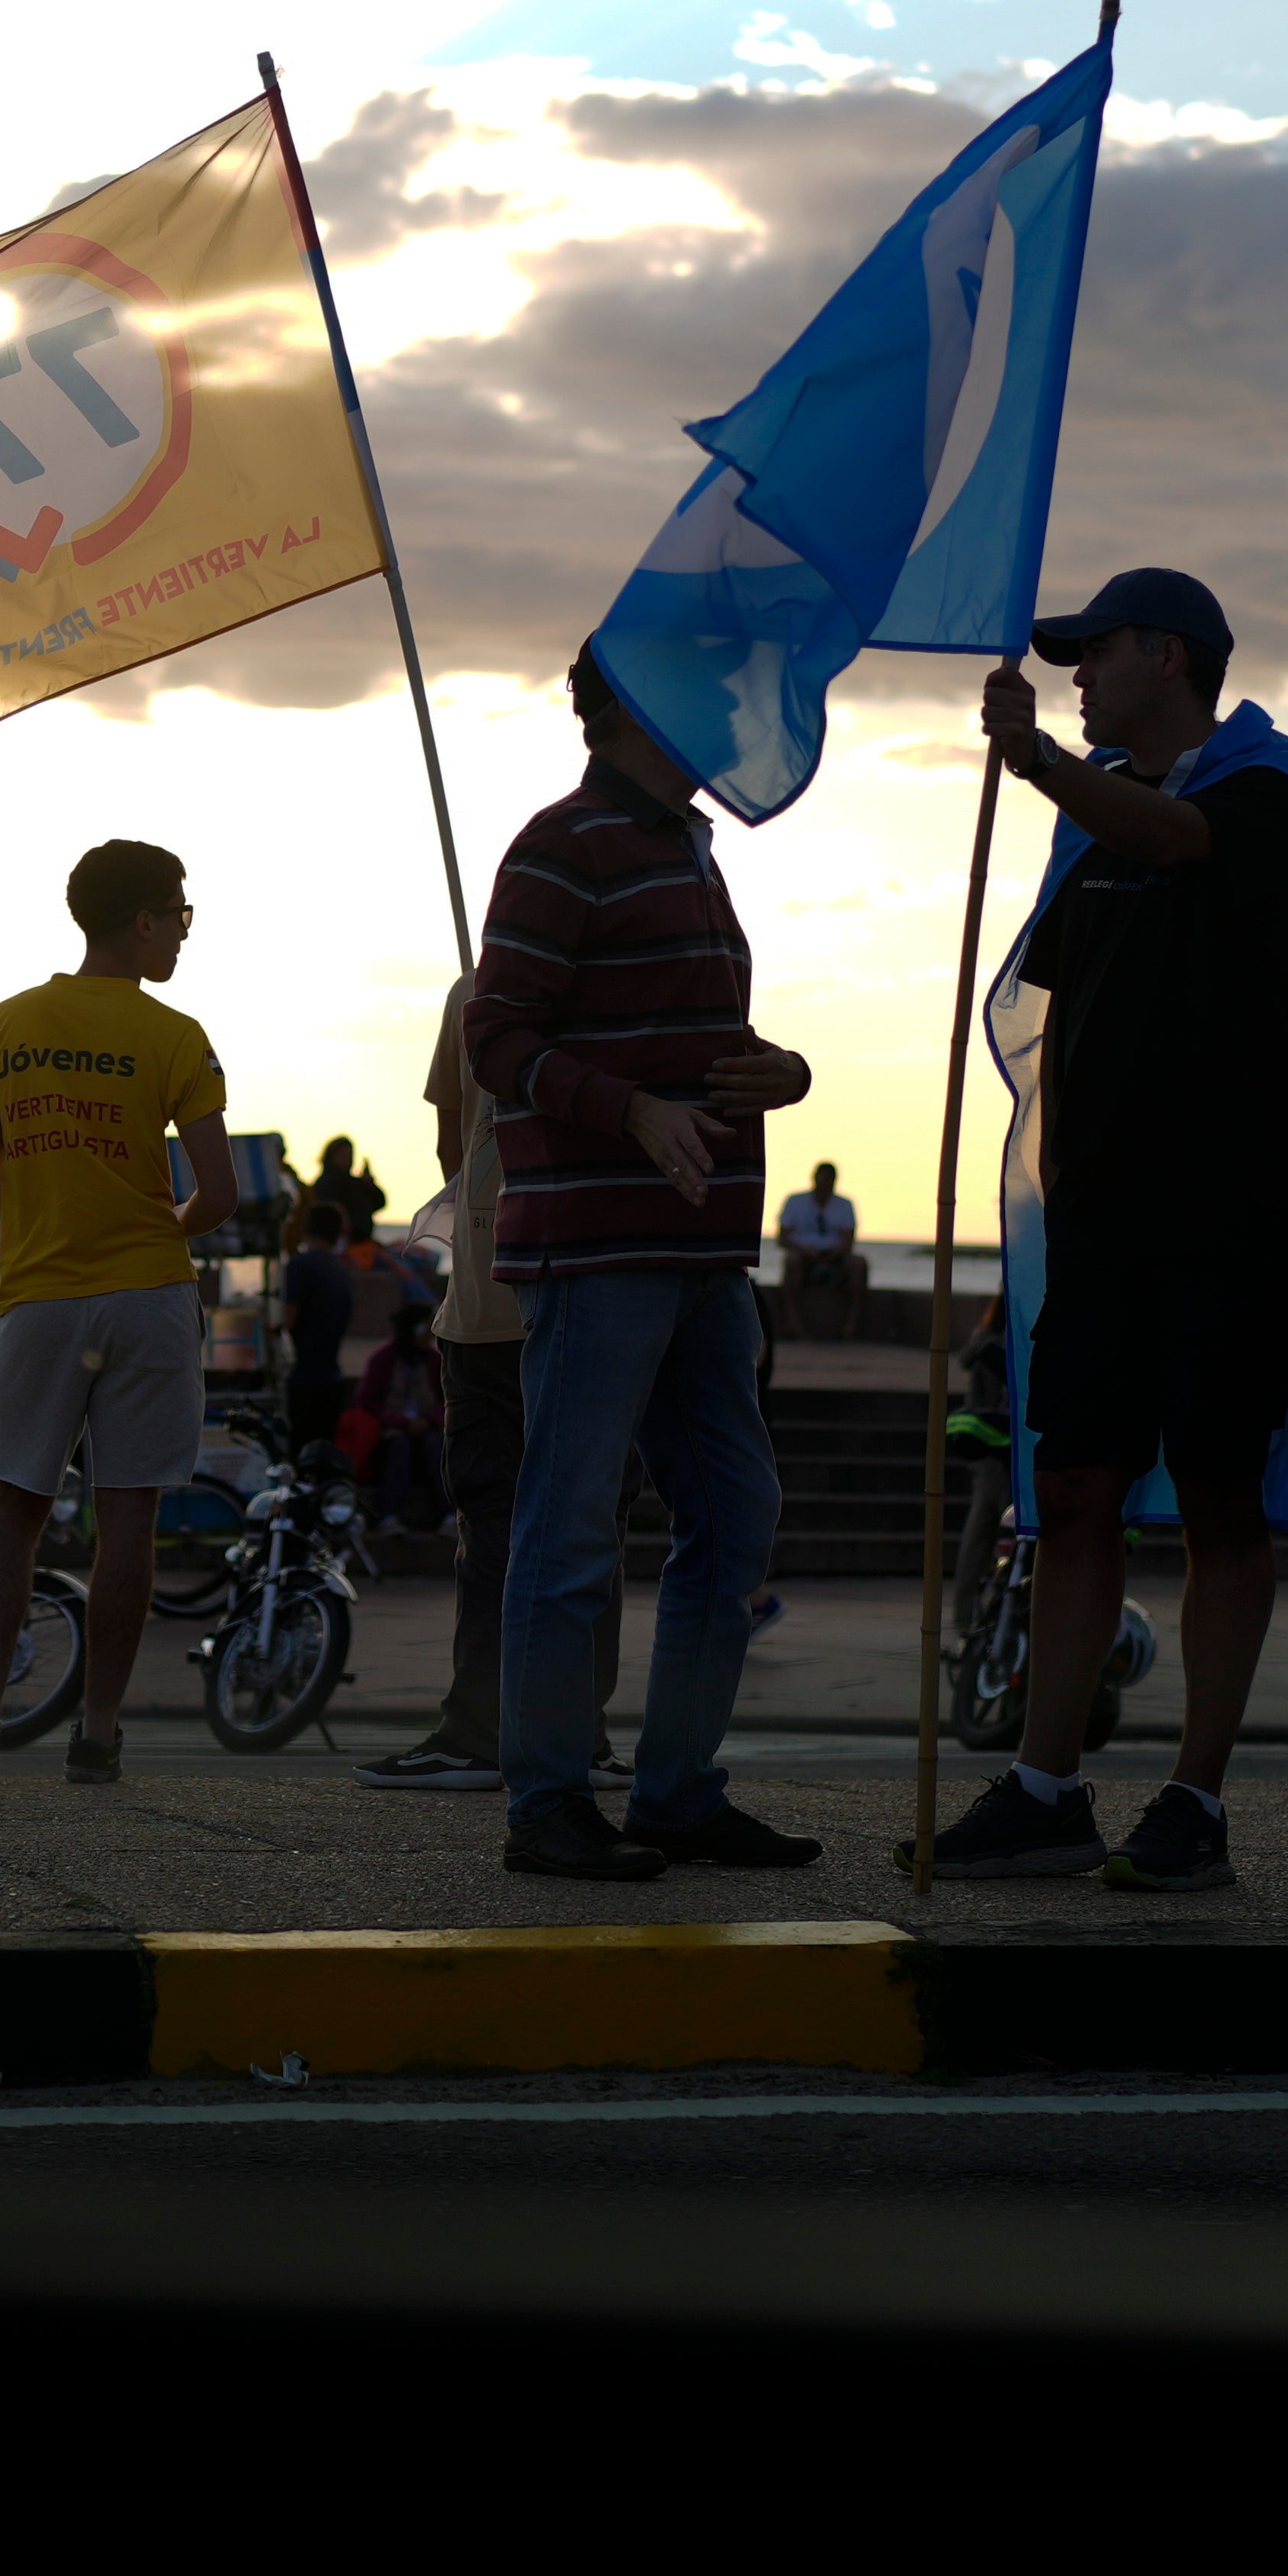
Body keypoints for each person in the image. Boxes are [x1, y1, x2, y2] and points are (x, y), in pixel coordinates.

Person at [927, 568, 1288, 1893]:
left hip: (1227, 1219)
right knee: (1077, 1495)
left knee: (1219, 1500)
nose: (1075, 676)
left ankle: (1194, 1801)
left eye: (1092, 654)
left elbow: (1179, 841)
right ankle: (1046, 1787)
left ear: (1168, 653)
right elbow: (1044, 1013)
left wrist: (1035, 757)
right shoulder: (1090, 832)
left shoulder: (1272, 785)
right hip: (1099, 1231)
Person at [463, 648, 821, 1881]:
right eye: (706, 694)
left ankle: (674, 1792)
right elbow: (496, 1034)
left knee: (735, 1512)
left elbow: (696, 1041)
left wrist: (784, 1072)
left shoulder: (689, 849)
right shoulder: (564, 844)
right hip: (602, 1249)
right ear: (634, 709)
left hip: (704, 1252)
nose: (728, 712)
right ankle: (549, 1805)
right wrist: (630, 1114)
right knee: (567, 1525)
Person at [0, 842, 242, 1785]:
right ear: (143, 920)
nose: (185, 934)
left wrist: (50, 1215)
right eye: (179, 916)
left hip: (40, 1296)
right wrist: (158, 1226)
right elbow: (219, 1194)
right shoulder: (177, 1035)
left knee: (15, 1510)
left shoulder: (6, 1024)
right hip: (149, 1294)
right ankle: (97, 1731)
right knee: (129, 1520)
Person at [353, 966, 612, 1795]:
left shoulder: (477, 988)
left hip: (492, 1300)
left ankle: (479, 1731)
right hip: (604, 1290)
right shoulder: (628, 975)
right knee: (587, 1520)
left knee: (493, 1525)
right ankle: (579, 1731)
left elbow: (448, 1140)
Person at [283, 1132, 384, 1414]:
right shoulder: (341, 1270)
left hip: (304, 1380)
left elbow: (289, 1320)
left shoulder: (301, 1266)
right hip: (332, 1377)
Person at [778, 1159, 866, 1343]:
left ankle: (850, 1326)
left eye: (830, 1180)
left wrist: (836, 1253)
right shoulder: (795, 1202)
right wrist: (803, 1251)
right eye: (823, 1179)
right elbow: (783, 1238)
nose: (826, 1185)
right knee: (791, 1263)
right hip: (804, 1255)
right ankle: (793, 1324)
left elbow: (849, 1239)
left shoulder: (844, 1204)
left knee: (859, 1265)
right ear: (814, 1178)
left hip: (835, 1256)